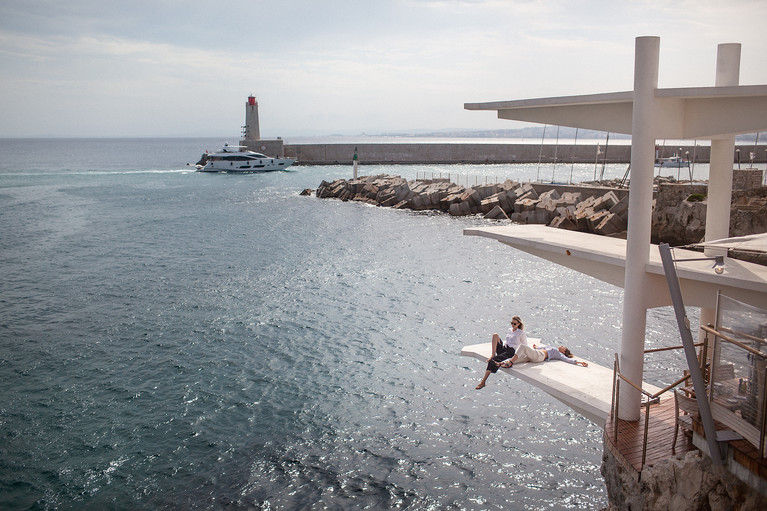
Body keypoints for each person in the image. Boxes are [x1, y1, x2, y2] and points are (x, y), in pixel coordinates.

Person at [475, 316, 528, 390]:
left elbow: (525, 346)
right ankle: (493, 354)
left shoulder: (521, 333)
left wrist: (519, 357)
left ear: (518, 324)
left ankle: (483, 382)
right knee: (495, 335)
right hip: (505, 348)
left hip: (510, 352)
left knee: (492, 361)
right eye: (511, 323)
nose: (512, 325)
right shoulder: (510, 330)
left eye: (514, 324)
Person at [499, 343, 589, 368]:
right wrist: (536, 347)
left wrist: (580, 362)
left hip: (540, 356)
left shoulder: (557, 353)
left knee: (522, 347)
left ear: (563, 351)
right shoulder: (551, 347)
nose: (561, 346)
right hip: (537, 353)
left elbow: (567, 359)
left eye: (563, 347)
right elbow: (543, 347)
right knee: (519, 358)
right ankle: (500, 363)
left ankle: (510, 362)